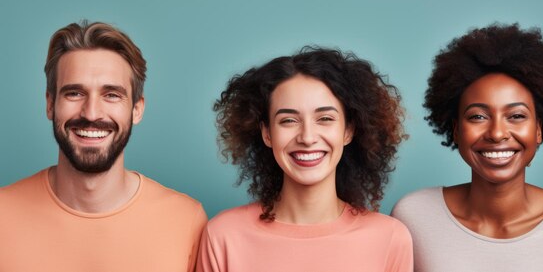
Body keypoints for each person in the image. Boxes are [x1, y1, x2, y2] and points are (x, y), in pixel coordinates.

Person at [392, 23, 543, 272]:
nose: (496, 133)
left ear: (539, 129)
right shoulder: (414, 215)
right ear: (456, 130)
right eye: (478, 117)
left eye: (516, 116)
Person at [0, 21, 208, 272]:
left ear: (137, 109)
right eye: (74, 93)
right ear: (50, 104)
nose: (91, 113)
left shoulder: (186, 221)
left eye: (111, 95)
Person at [197, 47, 413, 272]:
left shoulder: (389, 239)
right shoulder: (224, 236)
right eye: (289, 120)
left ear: (348, 131)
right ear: (267, 133)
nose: (307, 137)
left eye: (325, 118)